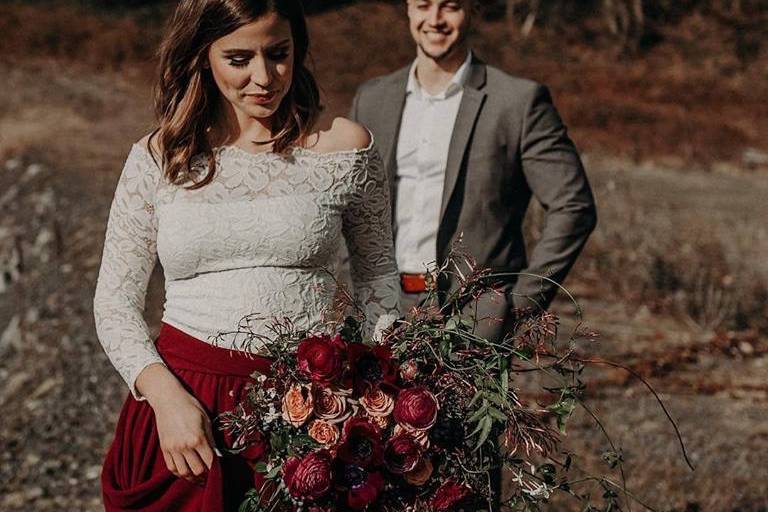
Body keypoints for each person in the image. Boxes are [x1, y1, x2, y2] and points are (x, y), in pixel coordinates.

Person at [93, 1, 399, 510]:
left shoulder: (345, 148)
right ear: (203, 56)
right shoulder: (156, 159)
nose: (264, 76)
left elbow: (379, 281)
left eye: (278, 54)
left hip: (312, 414)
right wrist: (166, 400)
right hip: (187, 414)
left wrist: (374, 394)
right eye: (238, 59)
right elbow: (115, 302)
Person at [350, 0, 597, 342]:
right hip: (382, 311)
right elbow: (352, 208)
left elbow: (574, 206)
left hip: (475, 320)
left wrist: (519, 305)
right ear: (408, 8)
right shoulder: (372, 99)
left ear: (472, 9)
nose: (434, 19)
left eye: (449, 6)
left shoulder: (518, 102)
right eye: (423, 5)